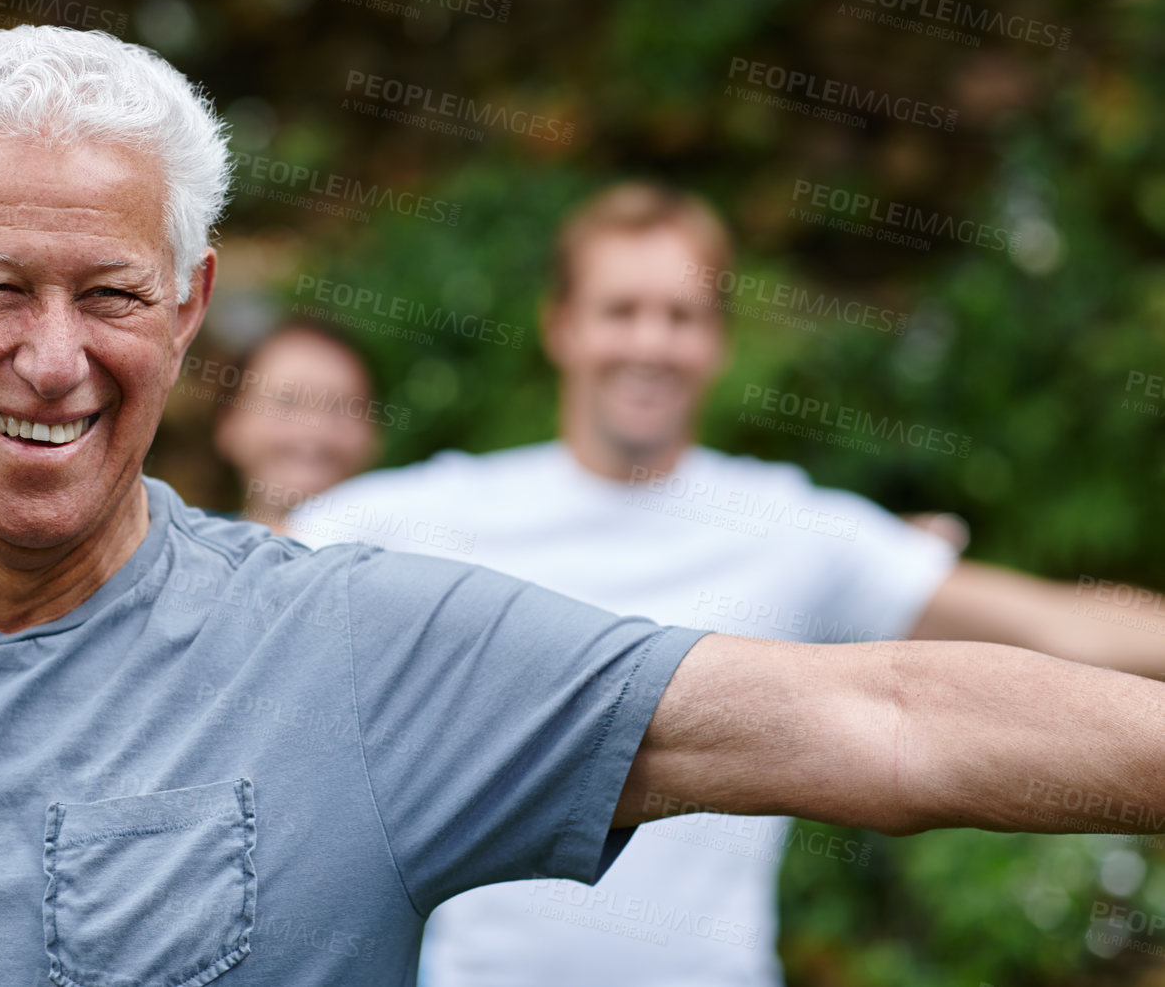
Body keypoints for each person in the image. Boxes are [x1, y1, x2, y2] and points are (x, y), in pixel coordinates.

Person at [0, 28, 1165, 987]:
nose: (53, 357)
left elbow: (877, 709)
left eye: (111, 292)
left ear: (189, 312)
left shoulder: (367, 643)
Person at [286, 180, 1165, 987]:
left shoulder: (792, 528)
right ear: (561, 325)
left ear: (717, 339)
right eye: (620, 309)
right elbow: (221, 578)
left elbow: (1053, 626)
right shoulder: (430, 516)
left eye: (681, 315)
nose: (650, 342)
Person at [211, 319, 382, 533]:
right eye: (287, 402)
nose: (315, 432)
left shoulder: (415, 557)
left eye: (342, 408)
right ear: (229, 423)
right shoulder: (180, 556)